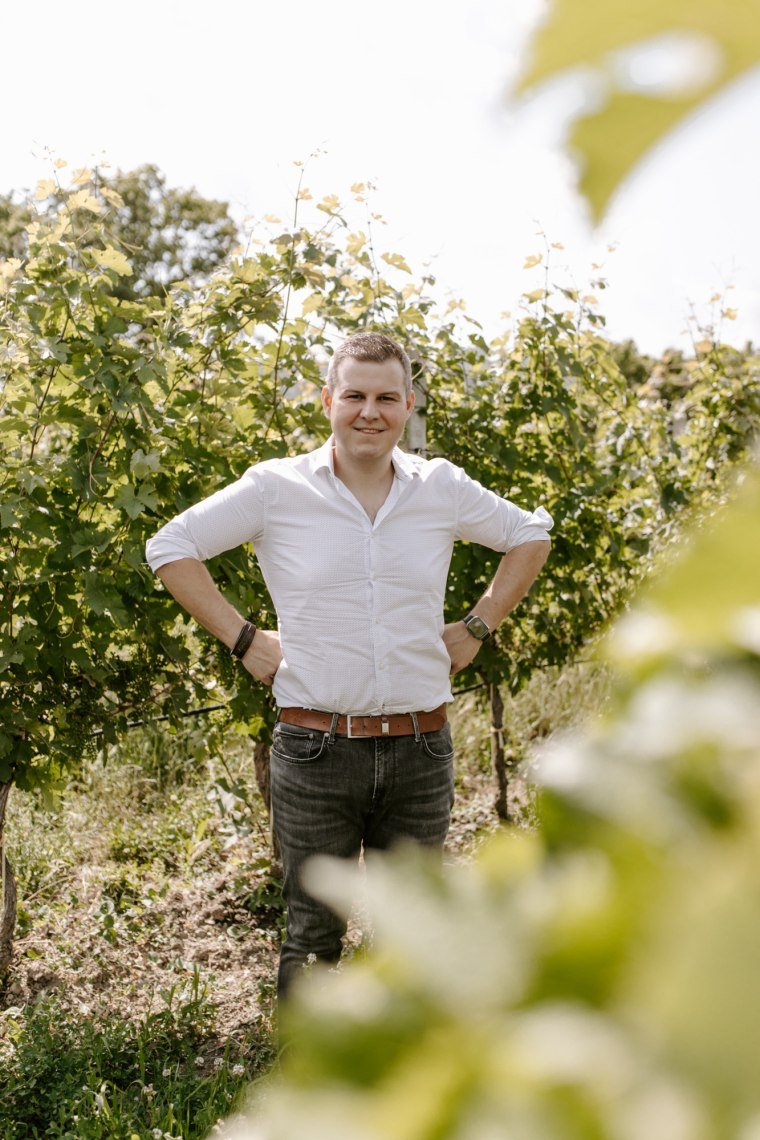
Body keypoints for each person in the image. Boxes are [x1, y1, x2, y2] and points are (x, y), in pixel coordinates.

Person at [145, 331, 552, 1000]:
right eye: (355, 395)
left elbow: (530, 533)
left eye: (387, 397)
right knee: (312, 937)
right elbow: (171, 546)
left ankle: (396, 1092)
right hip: (314, 751)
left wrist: (480, 624)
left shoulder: (440, 488)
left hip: (422, 749)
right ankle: (308, 1087)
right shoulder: (276, 489)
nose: (371, 411)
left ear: (409, 404)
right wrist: (244, 639)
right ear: (328, 400)